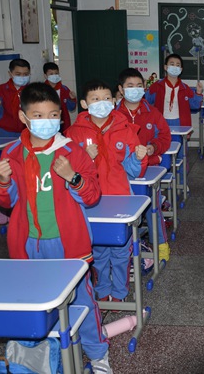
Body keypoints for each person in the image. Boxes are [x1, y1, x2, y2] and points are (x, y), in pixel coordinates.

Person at [0, 82, 112, 373]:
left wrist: (73, 177)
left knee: (82, 301)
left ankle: (98, 355)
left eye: (53, 115)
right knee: (33, 300)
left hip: (68, 243)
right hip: (28, 243)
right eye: (38, 115)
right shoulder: (12, 152)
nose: (47, 122)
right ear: (24, 117)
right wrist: (3, 182)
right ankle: (42, 356)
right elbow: (6, 202)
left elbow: (92, 195)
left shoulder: (72, 151)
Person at [66, 79, 148, 304]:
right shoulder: (73, 134)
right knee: (98, 250)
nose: (102, 103)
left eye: (106, 98)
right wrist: (85, 157)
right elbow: (66, 172)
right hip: (89, 201)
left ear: (114, 101)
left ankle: (120, 292)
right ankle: (102, 288)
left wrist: (138, 158)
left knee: (121, 250)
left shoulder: (125, 129)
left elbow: (133, 171)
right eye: (95, 99)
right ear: (84, 104)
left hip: (120, 198)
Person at [116, 68, 172, 262]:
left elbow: (165, 137)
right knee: (120, 209)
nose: (135, 90)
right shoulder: (113, 114)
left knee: (152, 208)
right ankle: (126, 250)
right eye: (130, 86)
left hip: (147, 171)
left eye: (139, 86)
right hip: (119, 173)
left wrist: (153, 147)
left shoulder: (152, 112)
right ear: (121, 89)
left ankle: (161, 244)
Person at [146, 53, 203, 160]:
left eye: (178, 65)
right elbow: (146, 101)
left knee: (180, 153)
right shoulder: (157, 86)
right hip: (161, 122)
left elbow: (195, 105)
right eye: (172, 64)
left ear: (181, 69)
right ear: (165, 67)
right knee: (161, 152)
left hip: (180, 123)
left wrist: (198, 93)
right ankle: (164, 171)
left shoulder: (185, 88)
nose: (175, 67)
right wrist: (145, 89)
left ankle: (181, 171)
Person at [0, 58, 31, 137]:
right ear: (10, 74)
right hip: (6, 132)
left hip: (27, 131)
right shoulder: (1, 89)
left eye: (25, 74)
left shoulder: (33, 90)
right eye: (18, 74)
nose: (22, 77)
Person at [43, 62, 76, 132]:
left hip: (63, 125)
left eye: (56, 73)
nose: (54, 76)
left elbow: (71, 108)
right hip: (47, 124)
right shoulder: (41, 90)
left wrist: (72, 99)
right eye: (51, 74)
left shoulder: (64, 89)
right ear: (45, 76)